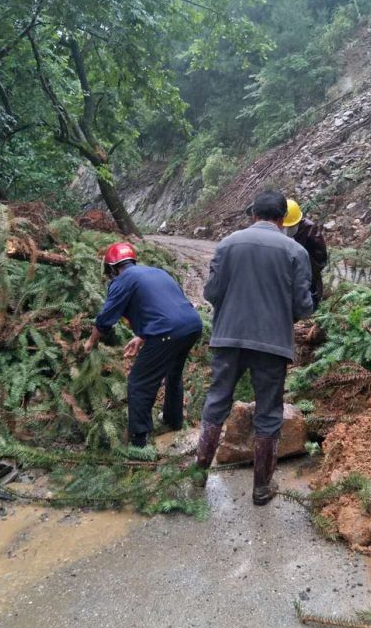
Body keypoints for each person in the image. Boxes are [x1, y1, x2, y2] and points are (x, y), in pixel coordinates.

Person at [196, 191, 314, 505]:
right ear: (282, 219)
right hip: (272, 344)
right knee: (268, 413)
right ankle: (261, 489)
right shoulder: (295, 251)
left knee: (216, 402)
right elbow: (303, 307)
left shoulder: (227, 244)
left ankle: (197, 476)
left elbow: (211, 292)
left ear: (253, 215)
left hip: (228, 338)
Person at [84, 242, 202, 448]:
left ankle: (139, 441)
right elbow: (166, 307)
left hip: (167, 333)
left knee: (139, 383)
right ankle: (173, 421)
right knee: (173, 373)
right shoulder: (157, 272)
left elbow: (105, 319)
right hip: (192, 325)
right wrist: (141, 337)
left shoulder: (122, 281)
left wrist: (91, 342)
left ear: (112, 268)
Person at [283, 199, 328, 310]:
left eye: (290, 227)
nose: (286, 230)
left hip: (308, 279)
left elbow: (321, 258)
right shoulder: (279, 230)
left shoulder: (310, 230)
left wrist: (304, 271)